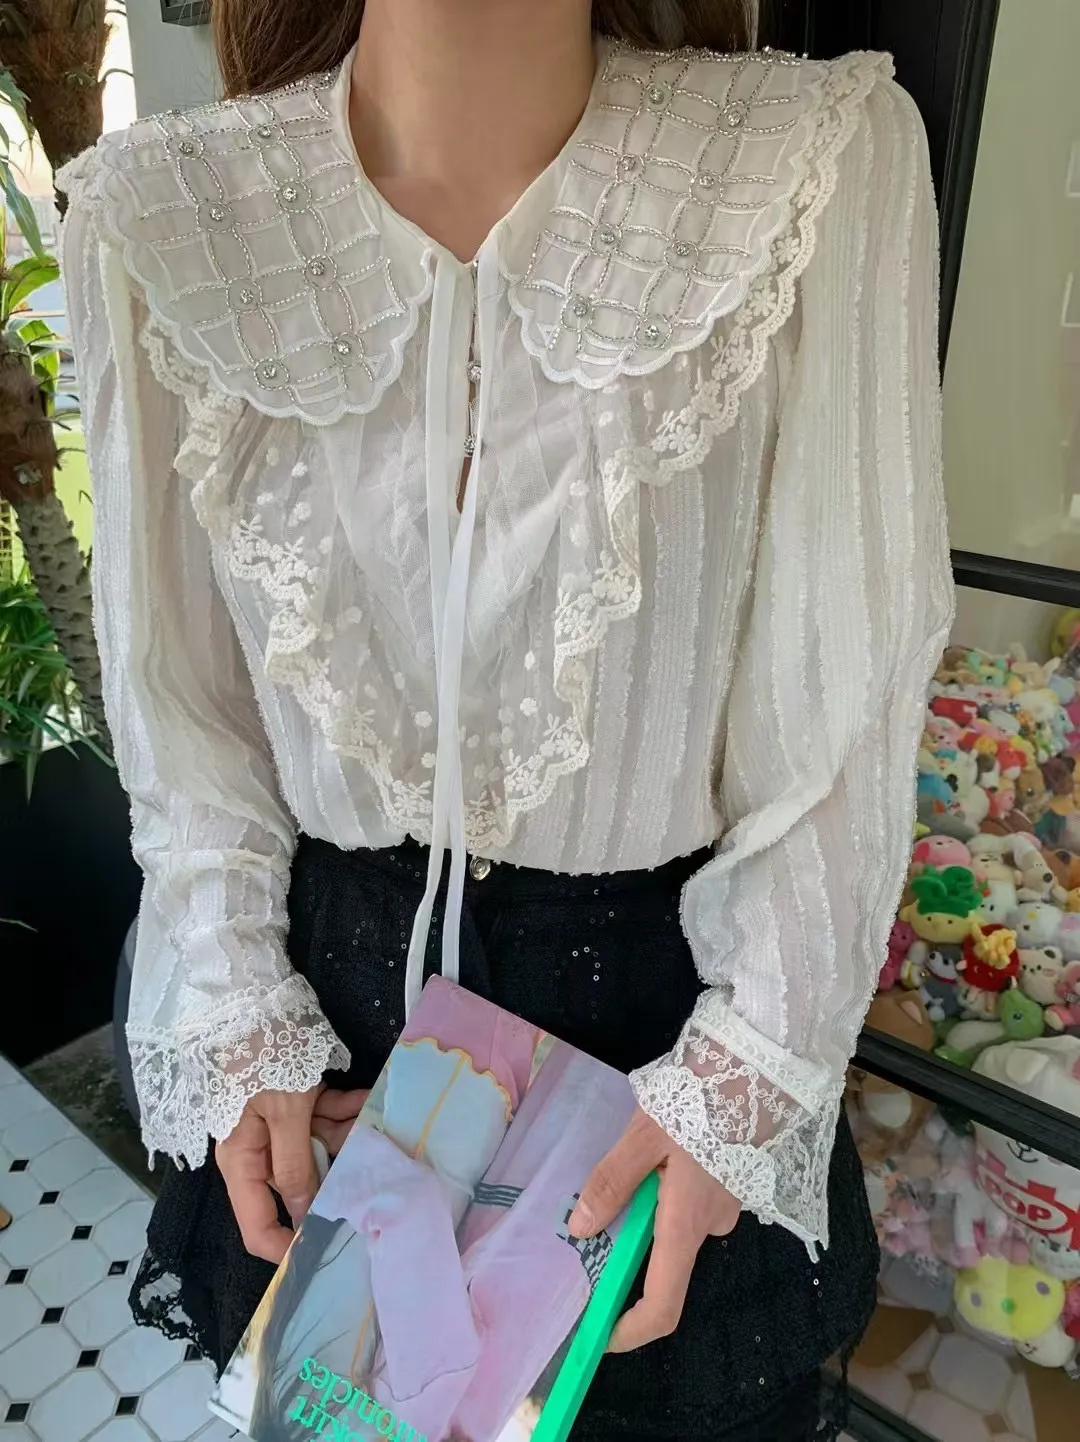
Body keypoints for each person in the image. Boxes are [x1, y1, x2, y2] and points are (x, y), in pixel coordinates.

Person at [56, 0, 953, 1436]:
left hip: (668, 1065)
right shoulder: (158, 215)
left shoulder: (815, 163)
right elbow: (183, 716)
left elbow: (846, 713)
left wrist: (741, 1081)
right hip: (322, 1054)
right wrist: (232, 1012)